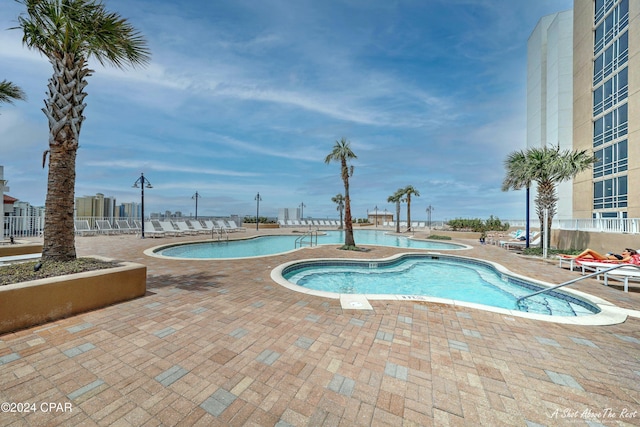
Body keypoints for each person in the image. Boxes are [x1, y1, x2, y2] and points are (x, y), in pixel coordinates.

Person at [569, 248, 637, 261]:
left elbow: (623, 261)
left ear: (629, 252)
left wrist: (611, 261)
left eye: (625, 251)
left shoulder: (629, 257)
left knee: (589, 250)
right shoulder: (623, 256)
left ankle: (576, 257)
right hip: (604, 257)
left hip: (604, 258)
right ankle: (568, 256)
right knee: (585, 256)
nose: (623, 252)